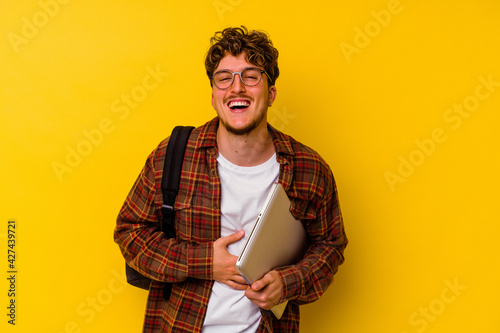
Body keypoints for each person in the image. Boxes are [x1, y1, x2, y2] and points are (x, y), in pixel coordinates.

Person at [114, 26, 347, 333]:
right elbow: (130, 234)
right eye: (224, 78)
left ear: (271, 93)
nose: (237, 88)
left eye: (251, 76)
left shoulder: (309, 168)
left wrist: (288, 283)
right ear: (213, 96)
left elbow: (330, 246)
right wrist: (203, 261)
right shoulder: (173, 155)